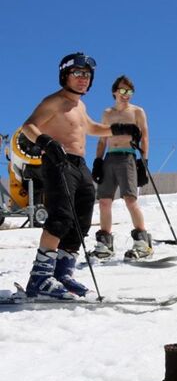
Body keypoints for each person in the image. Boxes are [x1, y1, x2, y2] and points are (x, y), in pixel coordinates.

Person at [19, 52, 140, 299]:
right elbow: (28, 126)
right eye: (77, 73)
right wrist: (47, 142)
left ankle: (62, 273)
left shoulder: (80, 105)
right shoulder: (54, 101)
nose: (83, 78)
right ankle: (39, 279)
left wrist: (120, 129)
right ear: (65, 75)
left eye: (87, 74)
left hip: (79, 165)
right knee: (61, 217)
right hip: (58, 162)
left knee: (81, 221)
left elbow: (91, 128)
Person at [91, 75, 152, 259]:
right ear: (114, 92)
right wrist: (98, 161)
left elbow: (145, 137)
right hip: (110, 157)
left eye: (130, 91)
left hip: (128, 156)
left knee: (130, 199)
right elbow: (102, 139)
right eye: (123, 90)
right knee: (104, 201)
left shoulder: (137, 111)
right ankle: (105, 245)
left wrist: (144, 162)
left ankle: (142, 242)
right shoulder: (107, 113)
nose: (126, 94)